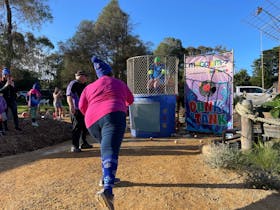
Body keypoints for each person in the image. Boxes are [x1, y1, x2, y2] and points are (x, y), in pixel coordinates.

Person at [79, 56, 134, 210]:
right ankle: (108, 191)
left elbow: (81, 106)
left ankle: (106, 178)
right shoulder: (118, 83)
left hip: (91, 121)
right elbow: (130, 100)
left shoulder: (89, 87)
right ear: (110, 72)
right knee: (110, 149)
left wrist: (93, 114)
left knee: (105, 147)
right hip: (113, 114)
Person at [66, 70, 93, 152]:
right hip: (76, 109)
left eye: (85, 76)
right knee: (77, 127)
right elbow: (69, 96)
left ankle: (83, 143)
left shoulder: (84, 85)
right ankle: (74, 146)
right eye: (83, 76)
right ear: (79, 76)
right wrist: (71, 106)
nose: (85, 78)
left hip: (84, 110)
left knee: (85, 127)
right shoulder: (73, 84)